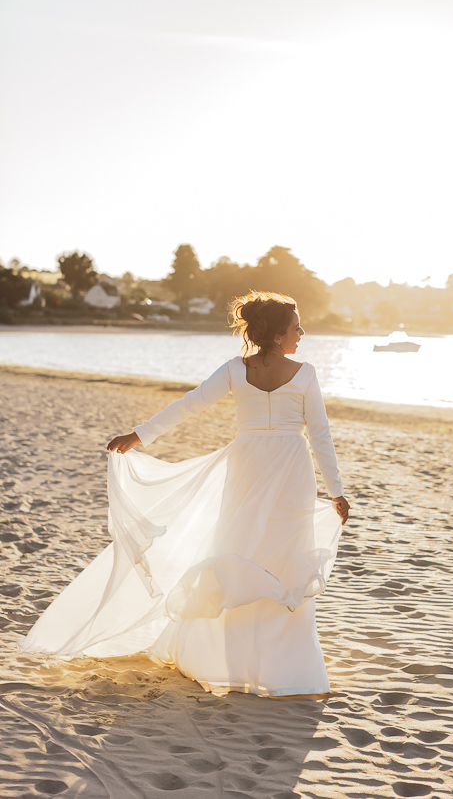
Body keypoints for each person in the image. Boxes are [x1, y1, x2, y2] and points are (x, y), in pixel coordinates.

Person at [18, 291, 349, 698]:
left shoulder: (235, 369)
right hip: (290, 470)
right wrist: (336, 491)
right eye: (296, 326)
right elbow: (319, 433)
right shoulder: (305, 372)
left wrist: (139, 435)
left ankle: (228, 658)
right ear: (279, 335)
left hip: (246, 465)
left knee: (239, 549)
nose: (302, 332)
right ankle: (281, 666)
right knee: (283, 557)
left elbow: (189, 405)